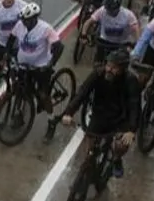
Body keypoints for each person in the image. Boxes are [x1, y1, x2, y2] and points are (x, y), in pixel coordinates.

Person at [59, 49, 139, 178]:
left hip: (121, 119)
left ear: (122, 69)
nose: (109, 69)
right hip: (100, 115)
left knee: (120, 145)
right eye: (108, 65)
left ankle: (116, 159)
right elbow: (82, 93)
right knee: (88, 150)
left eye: (114, 68)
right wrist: (69, 112)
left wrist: (131, 130)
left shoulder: (131, 81)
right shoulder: (98, 74)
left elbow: (135, 106)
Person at [7, 2, 65, 143]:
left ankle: (51, 122)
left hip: (40, 66)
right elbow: (11, 40)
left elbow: (59, 46)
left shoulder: (45, 29)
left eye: (26, 20)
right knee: (19, 88)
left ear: (34, 19)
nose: (24, 22)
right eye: (23, 20)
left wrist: (50, 64)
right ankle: (19, 114)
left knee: (43, 95)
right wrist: (10, 54)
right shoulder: (20, 25)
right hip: (23, 64)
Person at [81, 0, 140, 66]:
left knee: (120, 67)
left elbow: (135, 28)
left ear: (118, 8)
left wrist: (137, 43)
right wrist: (83, 35)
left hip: (121, 45)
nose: (108, 11)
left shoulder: (128, 14)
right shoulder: (102, 10)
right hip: (104, 42)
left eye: (110, 10)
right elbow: (88, 22)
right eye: (107, 9)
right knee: (97, 66)